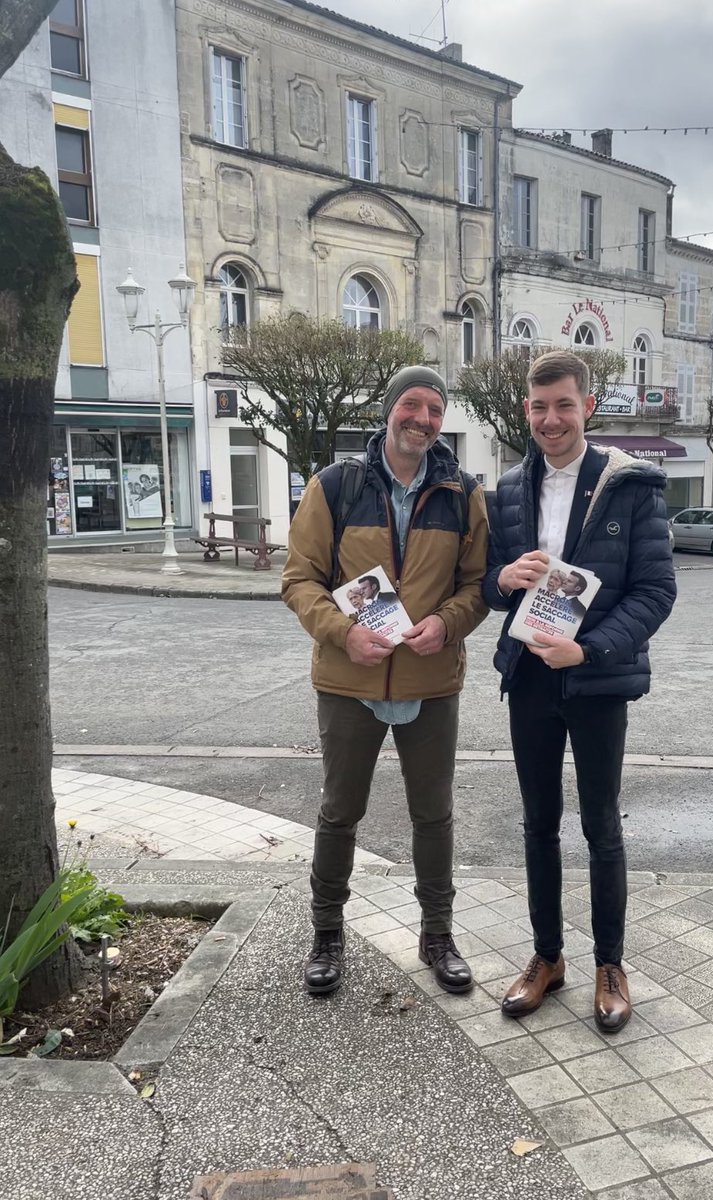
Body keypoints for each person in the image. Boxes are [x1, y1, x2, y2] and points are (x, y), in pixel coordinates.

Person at [483, 350, 676, 1033]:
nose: (549, 419)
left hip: (595, 682)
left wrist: (588, 647)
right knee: (538, 823)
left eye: (563, 404)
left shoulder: (630, 486)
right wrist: (504, 578)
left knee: (600, 825)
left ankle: (610, 965)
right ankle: (546, 958)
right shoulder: (506, 490)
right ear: (526, 410)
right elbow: (484, 586)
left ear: (587, 407)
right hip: (530, 677)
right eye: (538, 407)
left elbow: (656, 592)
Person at [283, 365, 489, 998]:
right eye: (412, 405)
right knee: (340, 813)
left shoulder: (462, 493)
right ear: (388, 410)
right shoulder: (334, 486)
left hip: (430, 684)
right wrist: (344, 634)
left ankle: (437, 935)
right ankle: (326, 935)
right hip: (350, 684)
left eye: (435, 409)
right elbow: (299, 580)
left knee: (434, 816)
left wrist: (447, 624)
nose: (423, 419)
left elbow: (478, 586)